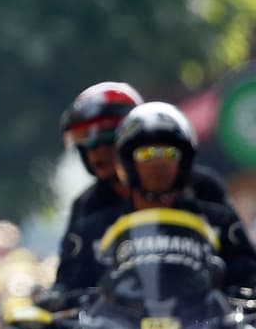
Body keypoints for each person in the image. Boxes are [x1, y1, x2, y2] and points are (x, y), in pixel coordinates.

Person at [38, 83, 229, 306]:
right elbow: (71, 277)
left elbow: (241, 262)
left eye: (167, 154)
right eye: (85, 140)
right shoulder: (89, 208)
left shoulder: (205, 192)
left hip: (201, 314)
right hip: (122, 320)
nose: (96, 153)